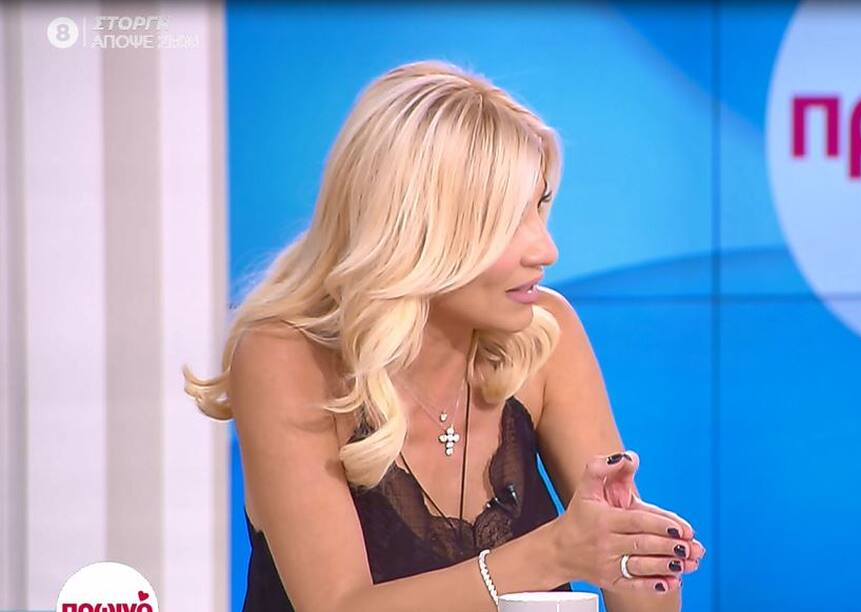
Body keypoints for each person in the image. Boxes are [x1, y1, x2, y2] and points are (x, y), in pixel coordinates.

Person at [182, 60, 704, 612]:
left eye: (540, 208)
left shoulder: (544, 334)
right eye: (507, 220)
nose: (546, 250)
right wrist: (555, 553)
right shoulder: (285, 357)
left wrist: (638, 557)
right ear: (415, 228)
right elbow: (337, 605)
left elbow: (638, 600)